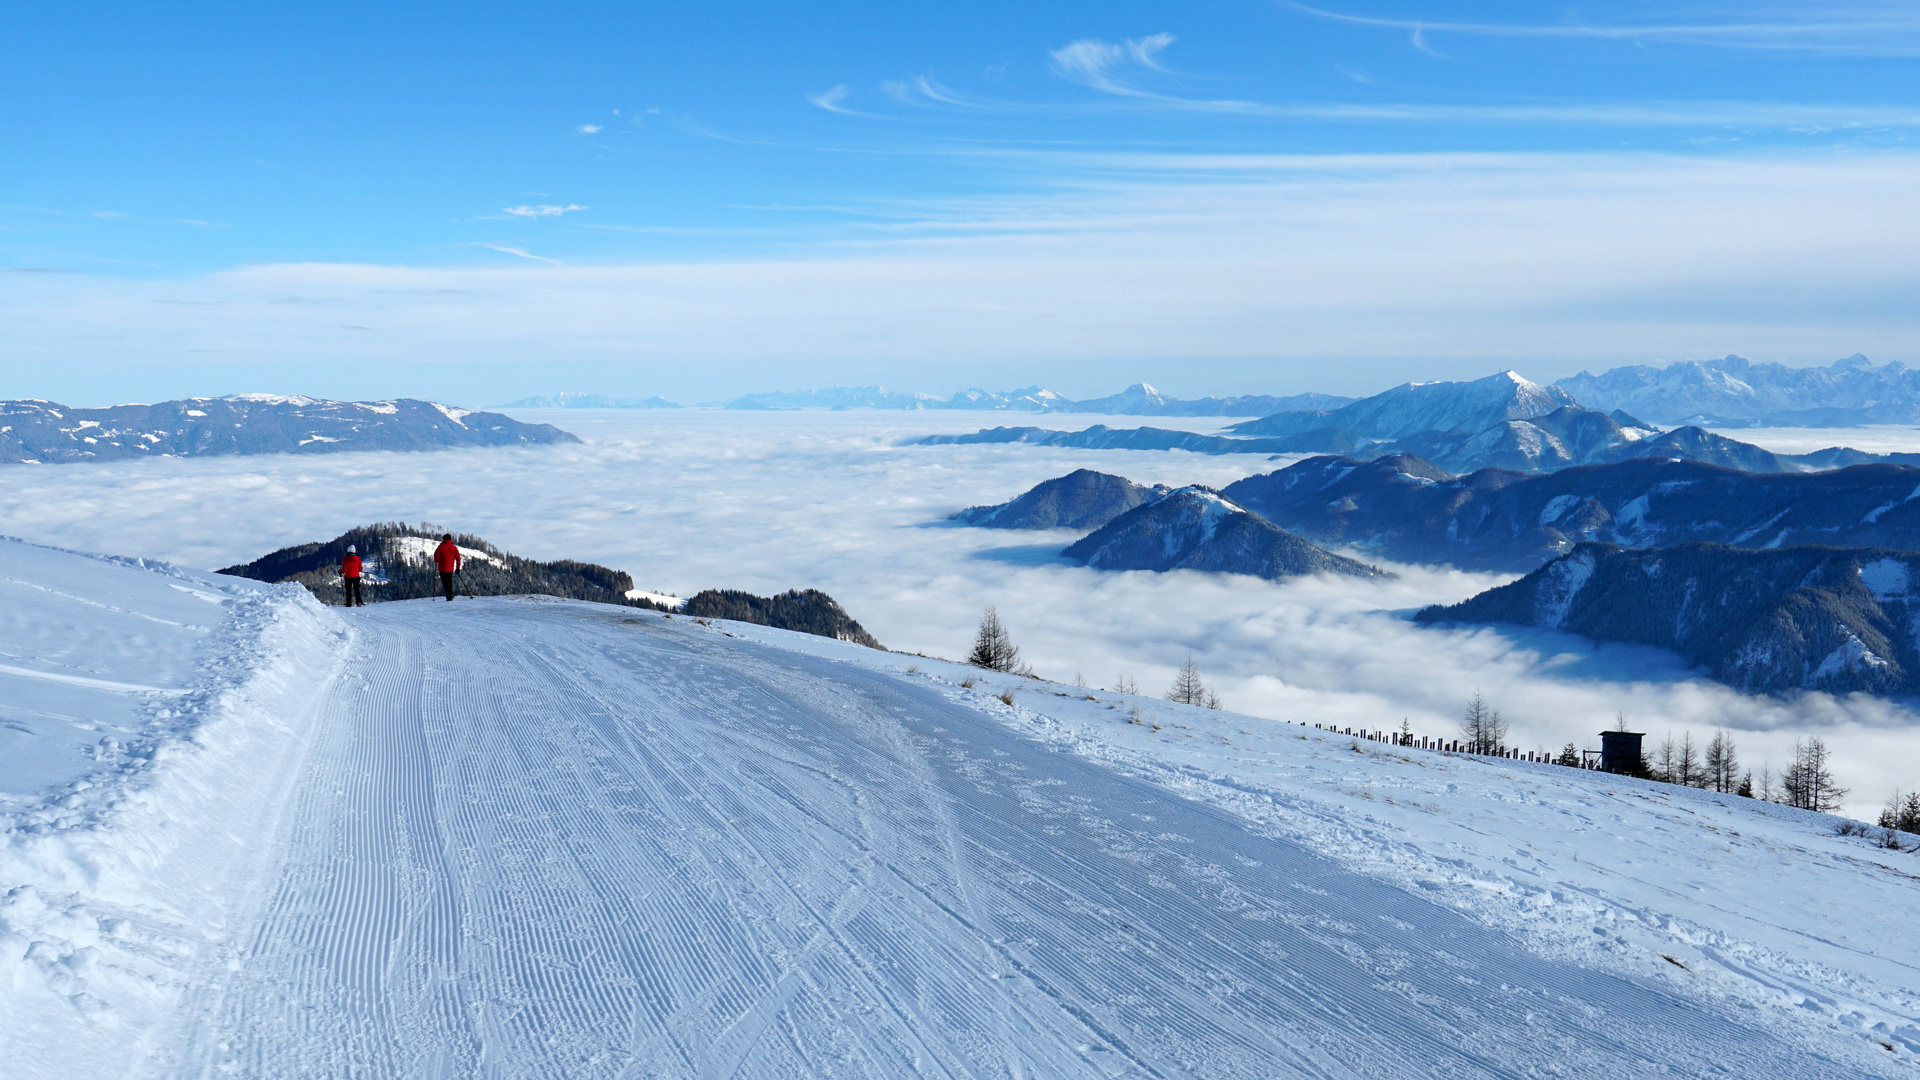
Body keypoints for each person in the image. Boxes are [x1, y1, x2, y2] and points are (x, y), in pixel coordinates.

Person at [433, 533, 462, 601]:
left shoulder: (440, 547)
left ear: (443, 539)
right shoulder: (454, 548)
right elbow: (458, 559)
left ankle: (449, 596)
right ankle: (450, 595)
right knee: (449, 581)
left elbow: (435, 558)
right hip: (450, 568)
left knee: (445, 583)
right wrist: (458, 568)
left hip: (442, 568)